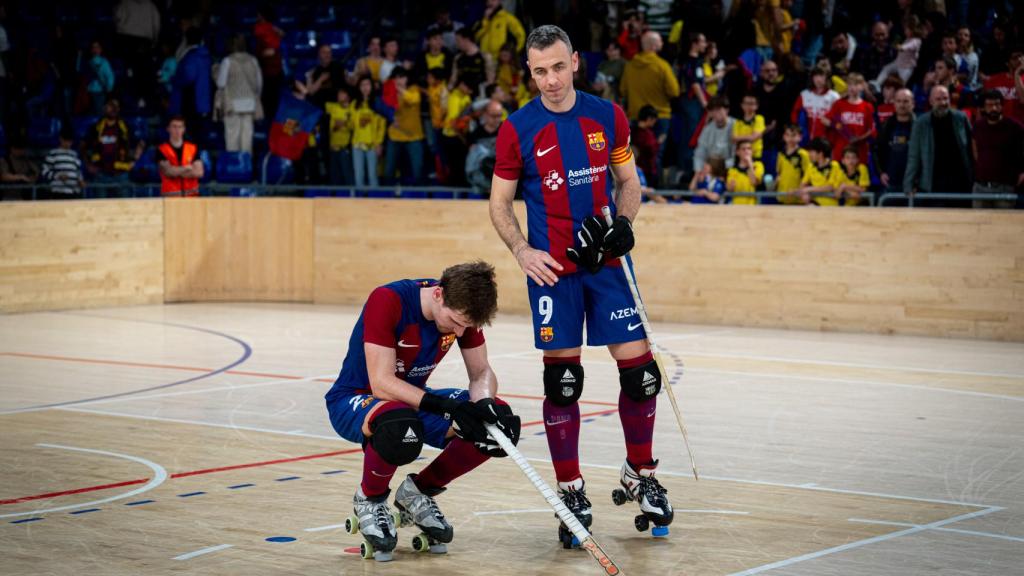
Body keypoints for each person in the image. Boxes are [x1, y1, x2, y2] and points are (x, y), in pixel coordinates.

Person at [488, 25, 674, 547]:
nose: (550, 80)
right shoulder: (517, 129)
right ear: (530, 73)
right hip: (554, 272)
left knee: (642, 377)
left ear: (574, 61)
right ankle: (570, 490)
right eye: (539, 71)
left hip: (608, 266)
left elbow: (629, 183)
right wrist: (522, 251)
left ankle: (641, 472)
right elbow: (499, 203)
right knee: (563, 383)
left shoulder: (607, 116)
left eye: (557, 67)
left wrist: (624, 225)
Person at [324, 261, 520, 562]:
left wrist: (484, 405)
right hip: (356, 398)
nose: (459, 331)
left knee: (496, 424)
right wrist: (447, 407)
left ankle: (418, 492)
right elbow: (382, 383)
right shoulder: (388, 300)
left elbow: (481, 373)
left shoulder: (463, 309)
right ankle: (370, 499)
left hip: (411, 401)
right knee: (400, 425)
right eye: (455, 322)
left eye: (465, 326)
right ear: (438, 294)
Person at [904, 85, 973, 201]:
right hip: (933, 185)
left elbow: (972, 149)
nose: (943, 103)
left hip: (961, 184)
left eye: (945, 98)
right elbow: (914, 156)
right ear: (931, 101)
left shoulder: (961, 118)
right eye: (938, 99)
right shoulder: (921, 123)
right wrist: (908, 185)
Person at [971, 90, 1023, 209]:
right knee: (978, 220)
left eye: (997, 104)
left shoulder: (1015, 127)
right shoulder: (978, 127)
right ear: (983, 108)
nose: (994, 108)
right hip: (980, 187)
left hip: (1005, 187)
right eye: (990, 105)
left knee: (1004, 220)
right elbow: (975, 152)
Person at [216, 34, 263, 155]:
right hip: (249, 104)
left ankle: (234, 164)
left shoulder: (227, 61)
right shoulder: (253, 60)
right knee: (247, 139)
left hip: (232, 105)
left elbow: (221, 83)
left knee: (232, 138)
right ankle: (246, 164)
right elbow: (259, 84)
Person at [85, 98, 142, 197]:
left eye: (116, 106)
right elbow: (83, 146)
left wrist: (134, 160)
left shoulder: (125, 126)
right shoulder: (96, 127)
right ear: (104, 108)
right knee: (100, 205)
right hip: (101, 174)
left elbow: (141, 143)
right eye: (111, 106)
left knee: (124, 206)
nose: (113, 109)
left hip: (121, 174)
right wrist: (88, 164)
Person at [383, 67, 426, 185]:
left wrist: (400, 89)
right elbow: (384, 108)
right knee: (389, 171)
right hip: (395, 136)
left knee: (418, 171)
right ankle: (387, 194)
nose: (399, 80)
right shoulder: (389, 93)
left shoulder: (414, 89)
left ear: (407, 79)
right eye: (396, 78)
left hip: (414, 137)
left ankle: (419, 195)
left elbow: (414, 100)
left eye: (402, 77)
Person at [823, 73, 874, 164]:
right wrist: (836, 125)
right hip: (840, 152)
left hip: (859, 153)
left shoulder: (868, 107)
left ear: (862, 86)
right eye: (849, 84)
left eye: (855, 84)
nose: (852, 87)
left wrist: (860, 139)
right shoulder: (839, 104)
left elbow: (871, 130)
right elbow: (824, 119)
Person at [170, 27, 212, 134]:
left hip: (191, 100)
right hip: (203, 100)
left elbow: (188, 77)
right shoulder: (206, 56)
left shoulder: (191, 56)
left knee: (191, 132)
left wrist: (174, 79)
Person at [874, 88, 915, 194]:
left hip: (914, 183)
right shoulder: (886, 126)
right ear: (894, 103)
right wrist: (881, 173)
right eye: (899, 101)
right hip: (890, 182)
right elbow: (877, 151)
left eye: (906, 101)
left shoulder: (920, 126)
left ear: (913, 103)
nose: (902, 105)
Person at [351, 76, 385, 188]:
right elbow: (352, 124)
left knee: (372, 176)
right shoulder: (354, 104)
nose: (365, 87)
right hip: (357, 144)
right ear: (359, 87)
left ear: (372, 86)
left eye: (367, 84)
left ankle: (375, 198)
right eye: (362, 85)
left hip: (373, 145)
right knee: (358, 176)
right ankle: (359, 198)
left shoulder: (377, 102)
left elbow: (382, 125)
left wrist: (379, 143)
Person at [157, 116, 204, 197]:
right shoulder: (162, 149)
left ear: (184, 129)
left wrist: (176, 171)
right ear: (168, 129)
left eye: (180, 127)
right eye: (174, 127)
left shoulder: (192, 148)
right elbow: (168, 172)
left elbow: (199, 172)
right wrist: (187, 168)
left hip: (192, 197)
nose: (177, 130)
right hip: (170, 197)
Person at [791, 66, 839, 143]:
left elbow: (840, 121)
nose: (818, 79)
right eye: (816, 76)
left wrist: (832, 124)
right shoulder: (804, 94)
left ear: (827, 78)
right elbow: (795, 114)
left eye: (821, 76)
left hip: (825, 141)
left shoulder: (834, 97)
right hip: (805, 140)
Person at [693, 96, 736, 175]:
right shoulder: (707, 129)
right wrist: (698, 170)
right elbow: (699, 153)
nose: (715, 113)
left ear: (727, 110)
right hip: (709, 170)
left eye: (718, 109)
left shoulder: (736, 126)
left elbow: (737, 157)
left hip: (731, 170)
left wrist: (719, 166)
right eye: (712, 110)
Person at [41, 128, 85, 199]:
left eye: (70, 141)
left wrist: (80, 180)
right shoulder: (53, 154)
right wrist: (58, 176)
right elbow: (44, 172)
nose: (68, 143)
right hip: (58, 192)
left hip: (73, 192)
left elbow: (78, 171)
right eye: (66, 141)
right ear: (61, 139)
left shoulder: (74, 154)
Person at [325, 86, 355, 187]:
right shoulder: (333, 107)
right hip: (333, 147)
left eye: (342, 94)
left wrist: (344, 123)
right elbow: (318, 104)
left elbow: (353, 126)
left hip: (345, 148)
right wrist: (336, 126)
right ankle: (334, 195)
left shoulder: (353, 108)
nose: (339, 96)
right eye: (338, 94)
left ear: (348, 96)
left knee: (347, 175)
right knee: (334, 177)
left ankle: (351, 195)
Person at [799, 137, 842, 206]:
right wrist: (804, 193)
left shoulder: (834, 166)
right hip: (814, 205)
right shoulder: (811, 167)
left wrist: (809, 189)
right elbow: (803, 184)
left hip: (830, 206)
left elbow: (830, 187)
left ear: (820, 153)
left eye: (811, 152)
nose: (809, 154)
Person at [775, 123, 811, 204]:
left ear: (800, 137)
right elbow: (779, 174)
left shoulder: (803, 155)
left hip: (797, 199)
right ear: (784, 137)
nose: (790, 138)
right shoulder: (780, 154)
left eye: (794, 135)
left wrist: (799, 190)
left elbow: (807, 176)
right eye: (788, 135)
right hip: (782, 197)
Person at [726, 141, 764, 205]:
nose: (746, 151)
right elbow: (730, 188)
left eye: (749, 148)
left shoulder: (758, 165)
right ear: (737, 152)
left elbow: (754, 182)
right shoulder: (732, 170)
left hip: (753, 206)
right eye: (743, 149)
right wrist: (731, 186)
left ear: (752, 151)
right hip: (736, 205)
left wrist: (750, 164)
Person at [84, 40, 115, 116]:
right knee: (91, 112)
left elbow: (110, 75)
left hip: (100, 91)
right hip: (90, 91)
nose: (95, 49)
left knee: (99, 112)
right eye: (93, 47)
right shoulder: (89, 62)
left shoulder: (104, 62)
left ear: (100, 49)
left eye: (97, 47)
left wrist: (109, 87)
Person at [732, 93, 766, 161]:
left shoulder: (759, 119)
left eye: (751, 103)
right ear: (742, 105)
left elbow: (753, 137)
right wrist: (750, 136)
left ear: (757, 106)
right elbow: (733, 139)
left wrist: (739, 138)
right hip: (740, 158)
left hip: (755, 157)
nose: (748, 106)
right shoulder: (738, 122)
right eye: (746, 103)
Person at [632, 105, 659, 187]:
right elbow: (651, 149)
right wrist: (658, 143)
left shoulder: (631, 131)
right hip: (644, 170)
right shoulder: (646, 135)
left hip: (642, 169)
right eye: (654, 120)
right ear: (649, 118)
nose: (655, 122)